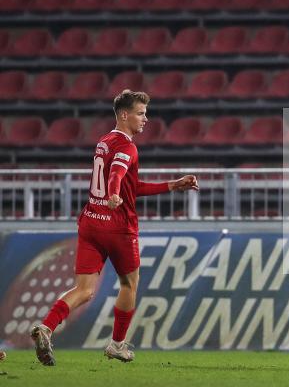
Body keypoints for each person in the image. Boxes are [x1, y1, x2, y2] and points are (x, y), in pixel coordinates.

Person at [30, 91, 199, 366]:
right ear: (124, 115)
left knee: (84, 289)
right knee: (129, 284)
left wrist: (171, 185)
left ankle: (47, 327)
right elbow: (118, 175)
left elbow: (130, 185)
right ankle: (117, 344)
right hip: (118, 228)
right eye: (141, 113)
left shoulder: (104, 141)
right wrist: (113, 193)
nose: (146, 118)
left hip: (90, 222)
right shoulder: (128, 147)